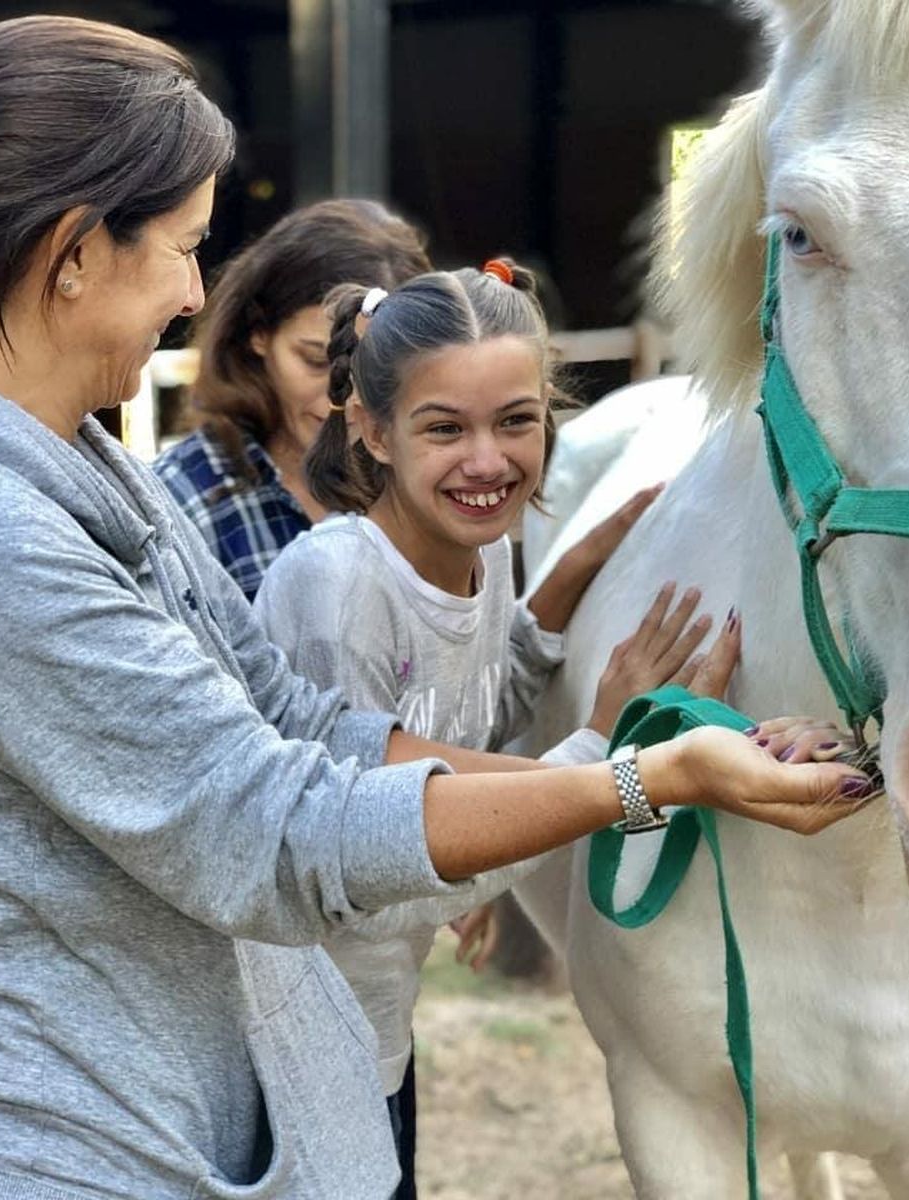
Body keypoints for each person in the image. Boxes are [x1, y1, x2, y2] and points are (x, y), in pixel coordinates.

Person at [0, 15, 874, 1200]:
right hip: (74, 1145)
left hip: (188, 1104)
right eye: (183, 249)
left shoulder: (83, 459)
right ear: (74, 251)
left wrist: (653, 748)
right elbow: (272, 826)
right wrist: (650, 781)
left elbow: (298, 720)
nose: (194, 295)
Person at [254, 261, 719, 1194]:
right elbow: (368, 854)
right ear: (371, 431)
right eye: (445, 428)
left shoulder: (483, 555)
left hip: (372, 1028)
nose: (487, 460)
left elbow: (477, 702)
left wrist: (576, 571)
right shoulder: (339, 586)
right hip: (273, 1059)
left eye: (516, 421)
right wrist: (600, 745)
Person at [154, 198, 432, 600]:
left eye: (374, 374)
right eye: (317, 361)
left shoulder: (423, 479)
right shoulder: (181, 501)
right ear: (258, 333)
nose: (344, 399)